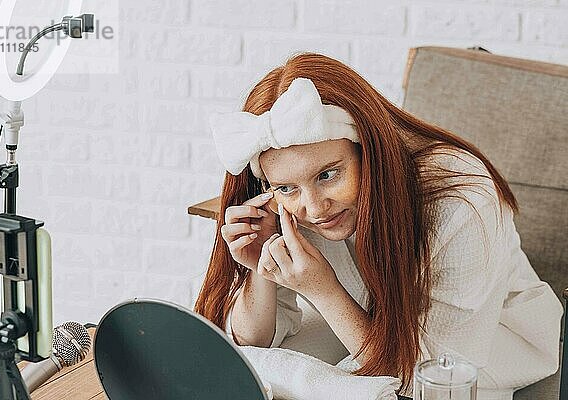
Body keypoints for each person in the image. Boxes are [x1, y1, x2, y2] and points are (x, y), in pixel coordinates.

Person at [193, 52, 563, 399]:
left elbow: (428, 378)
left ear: (367, 150)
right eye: (287, 187)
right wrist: (261, 269)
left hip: (478, 342)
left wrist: (323, 290)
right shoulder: (293, 210)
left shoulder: (463, 201)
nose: (314, 206)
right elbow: (252, 342)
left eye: (328, 175)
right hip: (368, 320)